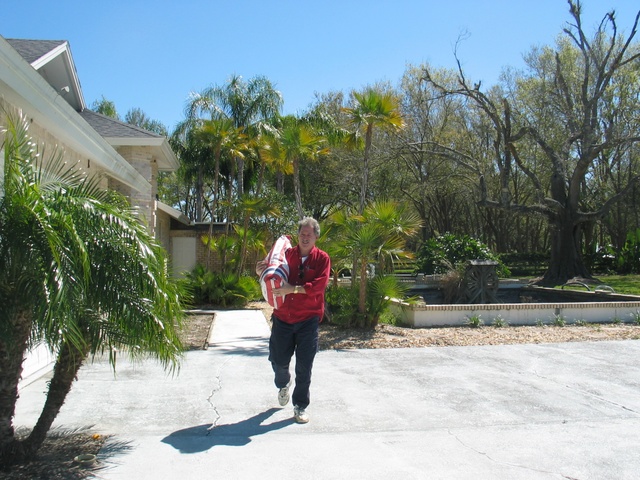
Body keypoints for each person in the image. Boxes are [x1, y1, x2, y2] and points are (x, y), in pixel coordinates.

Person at [256, 217, 331, 423]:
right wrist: (261, 271)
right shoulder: (286, 254)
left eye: (309, 234)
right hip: (283, 318)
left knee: (304, 366)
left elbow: (318, 286)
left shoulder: (322, 259)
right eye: (302, 234)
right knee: (279, 362)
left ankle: (299, 406)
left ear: (316, 236)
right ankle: (283, 383)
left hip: (308, 320)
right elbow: (269, 268)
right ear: (298, 236)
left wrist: (293, 289)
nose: (305, 237)